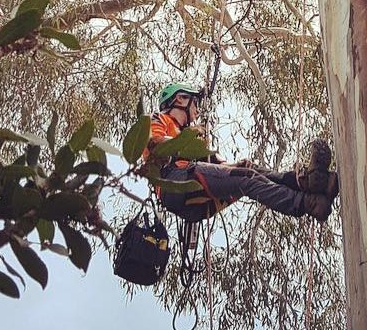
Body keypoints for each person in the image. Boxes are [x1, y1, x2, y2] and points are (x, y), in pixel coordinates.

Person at [143, 80, 339, 223]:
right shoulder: (158, 119)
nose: (198, 110)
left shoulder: (189, 137)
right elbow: (154, 143)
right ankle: (308, 203)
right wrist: (186, 141)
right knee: (245, 178)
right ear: (180, 98)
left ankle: (307, 183)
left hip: (193, 196)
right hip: (174, 183)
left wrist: (234, 165)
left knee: (248, 171)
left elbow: (217, 166)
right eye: (196, 102)